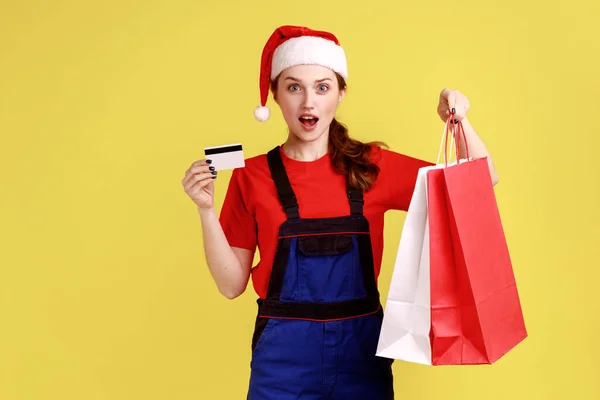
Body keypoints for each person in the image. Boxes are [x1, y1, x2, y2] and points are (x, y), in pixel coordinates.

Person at [181, 25, 499, 400]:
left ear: (340, 93)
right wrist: (205, 209)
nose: (308, 103)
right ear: (276, 96)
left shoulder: (370, 168)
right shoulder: (252, 176)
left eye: (322, 87)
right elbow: (230, 285)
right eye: (294, 87)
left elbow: (481, 179)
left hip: (360, 357)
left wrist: (457, 117)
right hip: (282, 365)